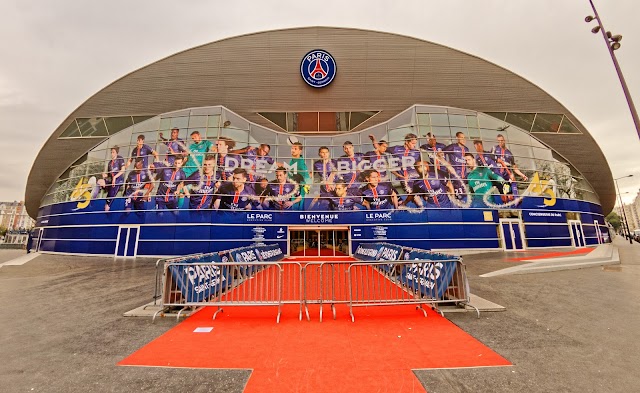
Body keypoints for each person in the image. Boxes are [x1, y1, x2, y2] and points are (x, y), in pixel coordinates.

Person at [491, 134, 529, 201]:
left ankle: (516, 198)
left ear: (504, 141)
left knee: (512, 179)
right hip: (498, 171)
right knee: (504, 192)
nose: (500, 142)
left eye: (502, 140)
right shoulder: (495, 148)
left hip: (507, 171)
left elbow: (514, 167)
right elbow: (490, 159)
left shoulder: (509, 153)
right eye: (499, 141)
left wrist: (522, 175)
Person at [443, 131, 470, 198]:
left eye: (464, 138)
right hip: (455, 178)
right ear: (457, 138)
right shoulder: (452, 147)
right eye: (461, 137)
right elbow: (441, 154)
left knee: (464, 197)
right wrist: (447, 164)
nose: (463, 139)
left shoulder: (466, 149)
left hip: (464, 177)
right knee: (456, 197)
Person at [101, 146, 126, 211]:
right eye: (111, 152)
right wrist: (105, 175)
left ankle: (108, 205)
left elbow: (123, 170)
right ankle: (93, 197)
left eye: (113, 152)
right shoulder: (110, 163)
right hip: (111, 181)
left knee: (110, 197)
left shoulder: (120, 159)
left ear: (116, 153)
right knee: (100, 181)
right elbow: (109, 175)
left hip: (118, 180)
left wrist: (115, 177)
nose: (112, 154)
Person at [288, 142, 311, 210]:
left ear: (300, 151)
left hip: (300, 187)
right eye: (292, 148)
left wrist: (306, 187)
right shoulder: (292, 161)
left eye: (295, 149)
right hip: (293, 186)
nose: (293, 150)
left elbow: (306, 176)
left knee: (297, 207)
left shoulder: (300, 162)